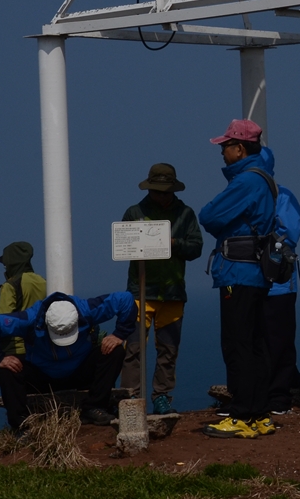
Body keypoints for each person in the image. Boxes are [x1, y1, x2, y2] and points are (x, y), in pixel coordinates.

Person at [199, 119, 278, 439]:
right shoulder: (264, 177)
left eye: (225, 146)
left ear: (240, 149)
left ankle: (242, 413)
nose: (221, 152)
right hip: (255, 273)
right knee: (256, 343)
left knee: (237, 344)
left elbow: (209, 216)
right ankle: (259, 412)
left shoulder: (246, 181)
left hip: (237, 271)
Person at [0, 291, 135, 430]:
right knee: (6, 371)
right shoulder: (31, 319)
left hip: (80, 369)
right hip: (42, 375)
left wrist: (119, 334)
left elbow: (125, 299)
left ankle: (94, 408)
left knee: (114, 351)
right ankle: (22, 424)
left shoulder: (85, 310)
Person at [120, 163, 204, 416]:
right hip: (140, 293)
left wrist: (172, 243)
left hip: (172, 293)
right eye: (157, 191)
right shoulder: (134, 213)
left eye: (166, 191)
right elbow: (124, 245)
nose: (162, 196)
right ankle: (130, 399)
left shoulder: (185, 213)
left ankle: (162, 397)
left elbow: (196, 247)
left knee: (168, 350)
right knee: (133, 349)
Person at [264, 180, 300, 415]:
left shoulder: (281, 195)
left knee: (279, 341)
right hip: (250, 280)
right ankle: (258, 395)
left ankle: (279, 396)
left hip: (277, 283)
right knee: (249, 340)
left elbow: (288, 234)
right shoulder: (279, 194)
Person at [0, 241, 47, 359]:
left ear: (11, 263)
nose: (5, 267)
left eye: (5, 264)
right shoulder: (43, 282)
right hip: (42, 347)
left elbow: (4, 321)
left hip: (17, 349)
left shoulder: (10, 286)